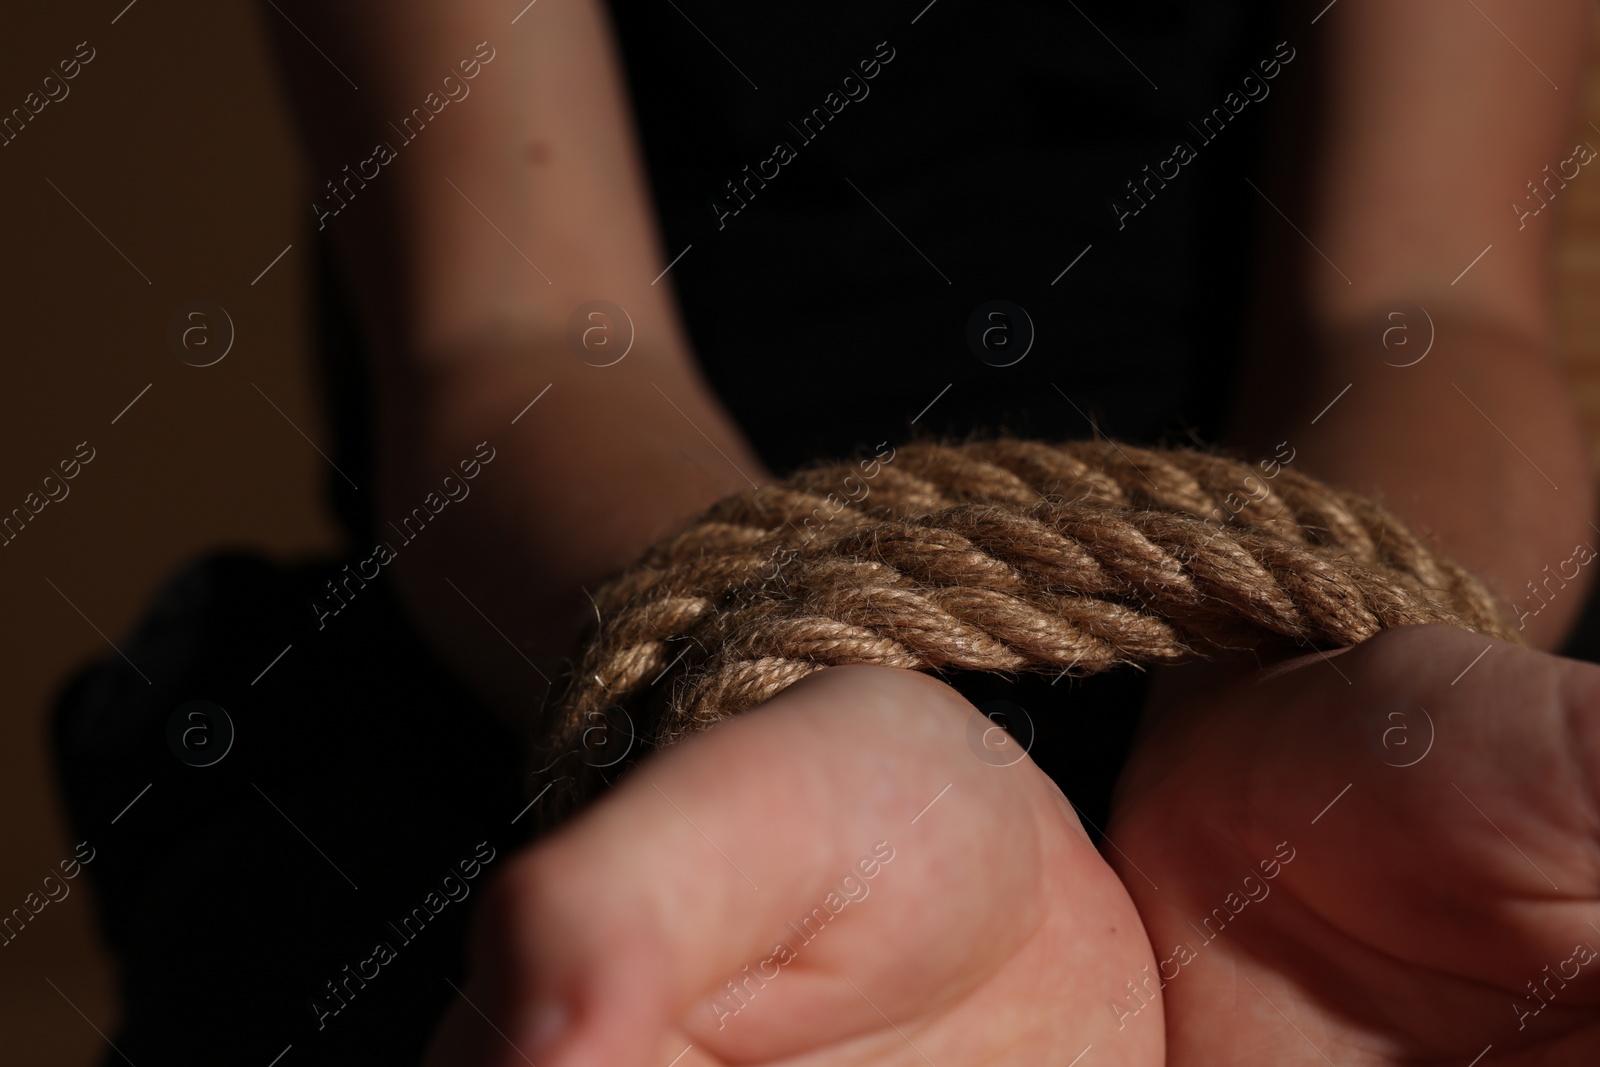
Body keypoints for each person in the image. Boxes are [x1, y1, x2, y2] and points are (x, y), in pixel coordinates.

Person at [50, 0, 1600, 1063]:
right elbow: (511, 341)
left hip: (1296, 654)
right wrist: (760, 696)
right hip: (590, 589)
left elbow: (1430, 307)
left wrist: (1359, 681)